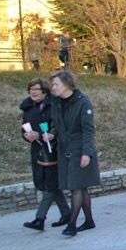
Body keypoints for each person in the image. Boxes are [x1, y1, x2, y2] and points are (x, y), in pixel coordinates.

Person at [47, 70, 100, 236]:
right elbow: (56, 125)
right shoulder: (56, 103)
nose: (53, 88)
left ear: (67, 84)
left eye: (56, 84)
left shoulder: (83, 102)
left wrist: (86, 153)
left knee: (76, 187)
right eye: (52, 85)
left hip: (79, 149)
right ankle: (89, 221)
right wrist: (52, 134)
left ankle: (72, 225)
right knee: (81, 188)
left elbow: (88, 130)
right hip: (64, 150)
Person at [20, 78, 70, 230]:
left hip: (53, 149)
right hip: (37, 150)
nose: (33, 92)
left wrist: (43, 134)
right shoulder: (28, 107)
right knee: (49, 183)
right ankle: (67, 214)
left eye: (37, 89)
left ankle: (39, 219)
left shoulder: (54, 105)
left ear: (44, 91)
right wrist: (27, 136)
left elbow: (59, 126)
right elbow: (24, 127)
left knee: (50, 184)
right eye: (31, 89)